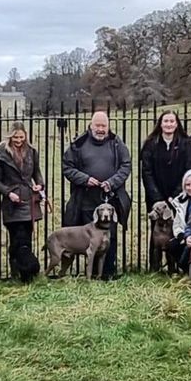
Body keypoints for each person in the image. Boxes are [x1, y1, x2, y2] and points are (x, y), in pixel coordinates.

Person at [62, 111, 132, 280]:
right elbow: (67, 167)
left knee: (110, 237)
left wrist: (112, 182)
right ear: (91, 125)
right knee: (89, 239)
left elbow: (126, 165)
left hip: (110, 199)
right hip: (86, 200)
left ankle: (108, 272)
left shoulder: (117, 143)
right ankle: (90, 274)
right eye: (97, 126)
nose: (100, 129)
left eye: (104, 126)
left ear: (108, 126)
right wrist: (85, 179)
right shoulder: (78, 144)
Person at [0, 121, 46, 281]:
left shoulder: (32, 152)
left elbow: (37, 172)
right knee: (15, 239)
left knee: (26, 238)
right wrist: (8, 193)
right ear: (10, 136)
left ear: (25, 136)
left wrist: (39, 185)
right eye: (15, 137)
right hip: (12, 202)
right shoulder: (1, 154)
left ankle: (27, 272)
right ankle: (15, 271)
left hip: (29, 199)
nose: (19, 140)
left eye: (21, 137)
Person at [139, 111, 191, 210]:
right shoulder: (150, 144)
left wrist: (176, 195)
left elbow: (188, 170)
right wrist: (157, 198)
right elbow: (147, 172)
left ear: (176, 124)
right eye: (166, 121)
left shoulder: (185, 144)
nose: (168, 124)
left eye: (172, 121)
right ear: (160, 124)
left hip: (179, 198)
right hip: (155, 199)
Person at [168, 169, 191, 274]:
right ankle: (187, 271)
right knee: (173, 245)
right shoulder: (180, 201)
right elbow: (177, 225)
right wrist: (184, 237)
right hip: (186, 237)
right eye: (187, 185)